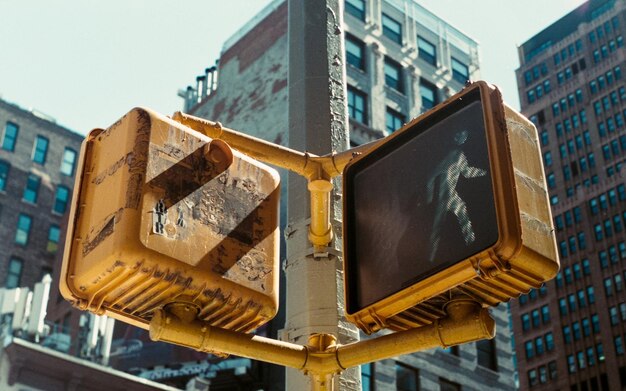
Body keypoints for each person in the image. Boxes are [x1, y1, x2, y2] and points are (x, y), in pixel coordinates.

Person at [426, 129, 486, 262]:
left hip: (452, 195)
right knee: (437, 228)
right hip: (444, 197)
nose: (462, 138)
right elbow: (430, 177)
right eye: (460, 135)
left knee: (462, 214)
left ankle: (473, 247)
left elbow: (466, 172)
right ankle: (429, 258)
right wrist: (429, 198)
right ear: (455, 136)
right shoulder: (451, 155)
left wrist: (484, 172)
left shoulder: (460, 155)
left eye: (464, 137)